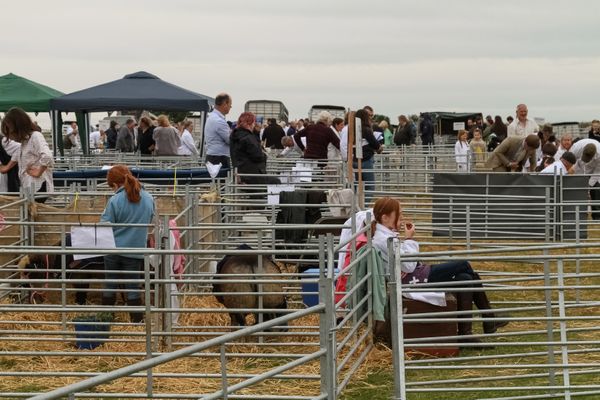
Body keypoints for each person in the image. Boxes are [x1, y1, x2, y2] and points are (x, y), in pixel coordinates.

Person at [370, 197, 508, 343]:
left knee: (465, 279)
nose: (402, 217)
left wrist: (406, 241)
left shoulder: (386, 235)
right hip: (413, 281)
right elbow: (409, 265)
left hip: (417, 275)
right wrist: (410, 239)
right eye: (399, 213)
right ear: (385, 218)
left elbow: (405, 261)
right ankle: (488, 317)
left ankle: (466, 334)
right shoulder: (383, 240)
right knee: (463, 265)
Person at [100, 165, 155, 323]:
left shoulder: (115, 200)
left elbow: (105, 224)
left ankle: (106, 321)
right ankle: (136, 322)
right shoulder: (148, 198)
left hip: (112, 250)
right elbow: (150, 220)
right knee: (133, 286)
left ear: (116, 185)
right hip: (135, 250)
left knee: (110, 283)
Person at [0, 107, 53, 201]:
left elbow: (47, 156)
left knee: (32, 212)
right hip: (30, 186)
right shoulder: (25, 142)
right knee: (27, 212)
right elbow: (17, 154)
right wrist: (7, 167)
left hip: (37, 186)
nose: (10, 138)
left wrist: (39, 171)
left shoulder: (35, 136)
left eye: (10, 133)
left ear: (18, 127)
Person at [230, 112, 280, 185]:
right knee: (276, 181)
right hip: (251, 175)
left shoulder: (235, 135)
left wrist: (255, 132)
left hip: (239, 174)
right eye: (254, 122)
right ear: (251, 123)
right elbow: (258, 156)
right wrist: (264, 155)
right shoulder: (248, 137)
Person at [353, 108, 383, 200]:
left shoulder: (352, 129)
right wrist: (379, 148)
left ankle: (357, 206)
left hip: (355, 160)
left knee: (357, 186)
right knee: (370, 187)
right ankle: (364, 208)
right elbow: (375, 144)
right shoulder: (366, 129)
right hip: (366, 160)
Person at [568, 139, 600, 220]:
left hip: (593, 171)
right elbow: (568, 161)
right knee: (575, 189)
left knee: (596, 189)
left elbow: (597, 173)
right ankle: (576, 213)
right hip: (578, 168)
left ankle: (596, 217)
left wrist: (588, 187)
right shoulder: (577, 147)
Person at [204, 93, 233, 168]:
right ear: (224, 104)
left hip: (213, 156)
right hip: (219, 158)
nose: (230, 107)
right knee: (222, 179)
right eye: (230, 104)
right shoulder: (218, 120)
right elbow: (230, 140)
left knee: (214, 179)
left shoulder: (212, 117)